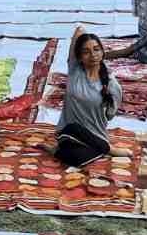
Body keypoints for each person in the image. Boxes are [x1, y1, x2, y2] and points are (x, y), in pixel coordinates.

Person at [48, 26, 123, 168]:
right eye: (86, 52)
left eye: (96, 49)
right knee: (71, 133)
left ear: (102, 52)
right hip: (68, 135)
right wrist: (85, 33)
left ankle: (103, 149)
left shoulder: (112, 85)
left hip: (96, 137)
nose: (93, 55)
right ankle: (105, 151)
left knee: (75, 155)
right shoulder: (75, 69)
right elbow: (78, 30)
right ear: (79, 57)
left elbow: (110, 114)